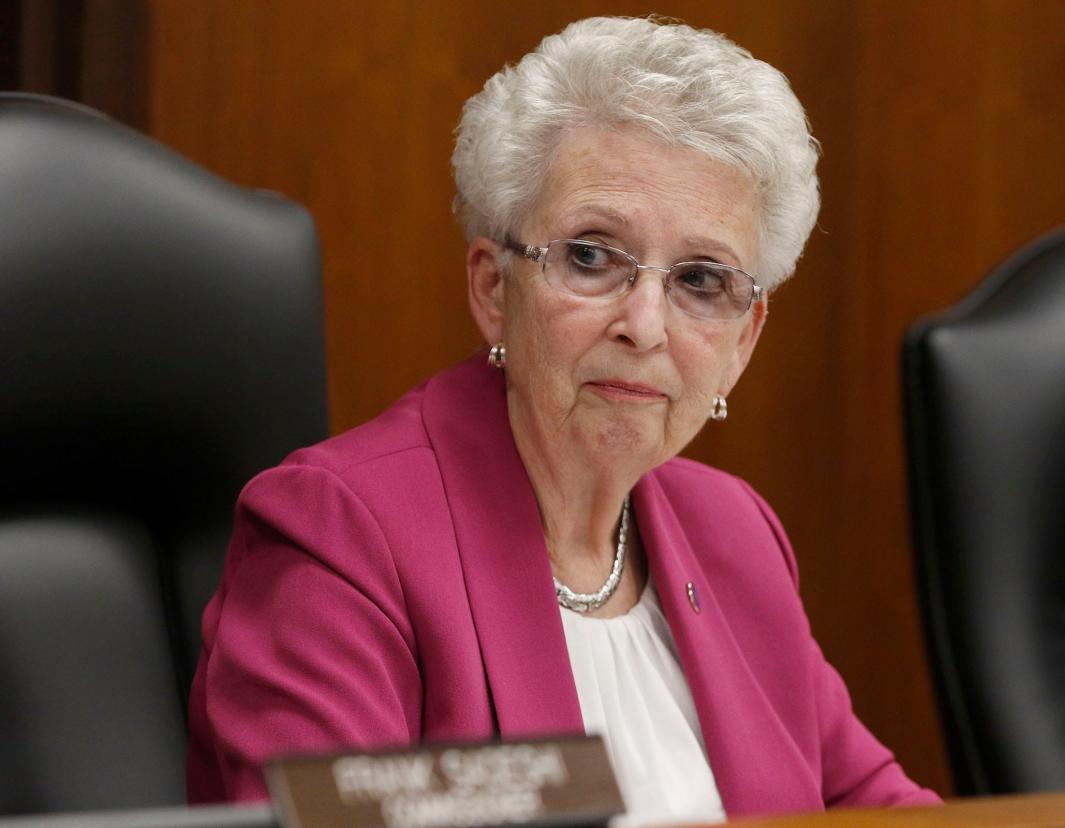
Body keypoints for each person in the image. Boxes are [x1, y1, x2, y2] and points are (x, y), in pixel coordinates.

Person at [187, 16, 940, 821]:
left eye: (701, 281)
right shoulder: (343, 537)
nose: (644, 325)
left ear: (744, 340)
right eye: (592, 256)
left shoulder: (735, 537)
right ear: (492, 289)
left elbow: (881, 809)